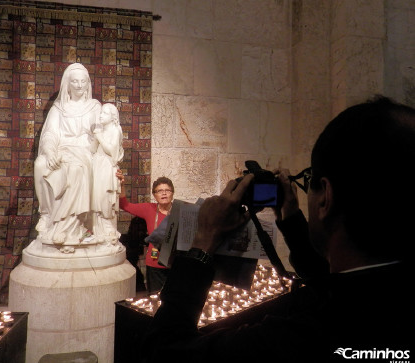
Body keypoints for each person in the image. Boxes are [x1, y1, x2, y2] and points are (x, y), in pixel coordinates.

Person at [142, 96, 413, 362]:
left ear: (325, 196)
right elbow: (334, 288)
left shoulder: (299, 339)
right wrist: (291, 218)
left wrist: (202, 244)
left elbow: (165, 352)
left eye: (309, 181)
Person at [34, 63, 101, 250]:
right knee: (40, 164)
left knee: (76, 169)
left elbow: (102, 132)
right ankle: (46, 216)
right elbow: (50, 134)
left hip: (86, 151)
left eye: (83, 81)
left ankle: (69, 226)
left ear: (88, 83)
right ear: (68, 84)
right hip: (61, 150)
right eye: (75, 81)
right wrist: (50, 152)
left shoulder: (94, 107)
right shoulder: (59, 108)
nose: (79, 85)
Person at [117, 172, 175, 293]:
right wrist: (122, 184)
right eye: (159, 191)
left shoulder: (180, 211)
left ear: (172, 193)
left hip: (175, 265)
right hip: (155, 265)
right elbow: (124, 205)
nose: (164, 193)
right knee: (155, 299)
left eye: (167, 190)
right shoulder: (149, 209)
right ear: (154, 195)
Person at [91, 103, 124, 241]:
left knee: (105, 195)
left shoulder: (116, 130)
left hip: (107, 167)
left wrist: (99, 137)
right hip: (98, 165)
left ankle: (108, 226)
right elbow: (93, 150)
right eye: (100, 113)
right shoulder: (102, 131)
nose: (100, 116)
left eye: (104, 113)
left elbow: (112, 151)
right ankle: (98, 229)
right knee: (97, 196)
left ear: (113, 116)